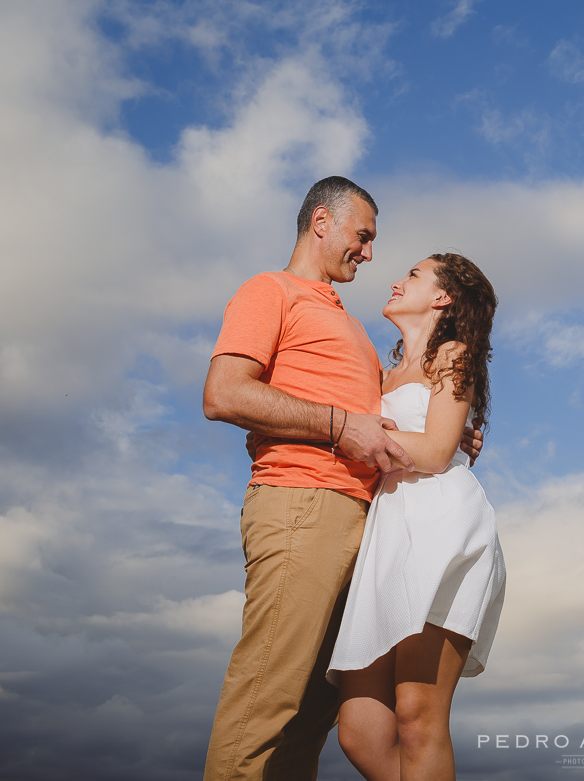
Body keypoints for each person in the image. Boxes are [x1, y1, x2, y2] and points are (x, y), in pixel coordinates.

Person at [201, 177, 481, 781]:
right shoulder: (271, 290)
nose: (370, 253)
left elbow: (391, 421)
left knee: (309, 719)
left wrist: (448, 433)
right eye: (364, 235)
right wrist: (339, 425)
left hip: (371, 527)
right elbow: (223, 394)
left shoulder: (353, 329)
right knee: (266, 700)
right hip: (305, 504)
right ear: (322, 221)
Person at [326, 253, 506, 781]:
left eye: (412, 275)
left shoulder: (453, 354)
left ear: (442, 297)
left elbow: (431, 451)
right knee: (359, 732)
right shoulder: (382, 373)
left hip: (443, 525)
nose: (396, 281)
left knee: (418, 715)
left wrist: (342, 431)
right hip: (389, 535)